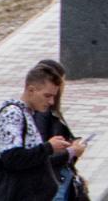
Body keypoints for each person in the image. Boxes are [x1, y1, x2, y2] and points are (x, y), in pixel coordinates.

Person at [0, 62, 81, 201]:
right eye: (47, 96)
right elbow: (11, 158)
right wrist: (49, 147)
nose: (52, 101)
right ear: (31, 90)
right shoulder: (12, 114)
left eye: (53, 96)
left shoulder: (27, 113)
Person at [29, 59, 86, 201]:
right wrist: (72, 151)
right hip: (52, 185)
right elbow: (42, 156)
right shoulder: (43, 114)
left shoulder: (47, 112)